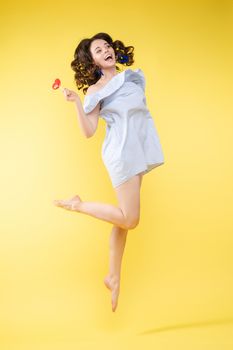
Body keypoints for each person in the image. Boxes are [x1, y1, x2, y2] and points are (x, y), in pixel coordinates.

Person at [53, 32, 165, 312]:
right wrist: (76, 104)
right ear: (92, 61)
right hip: (121, 153)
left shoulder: (130, 77)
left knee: (123, 219)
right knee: (131, 219)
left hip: (137, 149)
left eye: (106, 46)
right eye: (98, 50)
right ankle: (78, 205)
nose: (105, 50)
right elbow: (89, 131)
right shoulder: (96, 90)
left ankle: (113, 276)